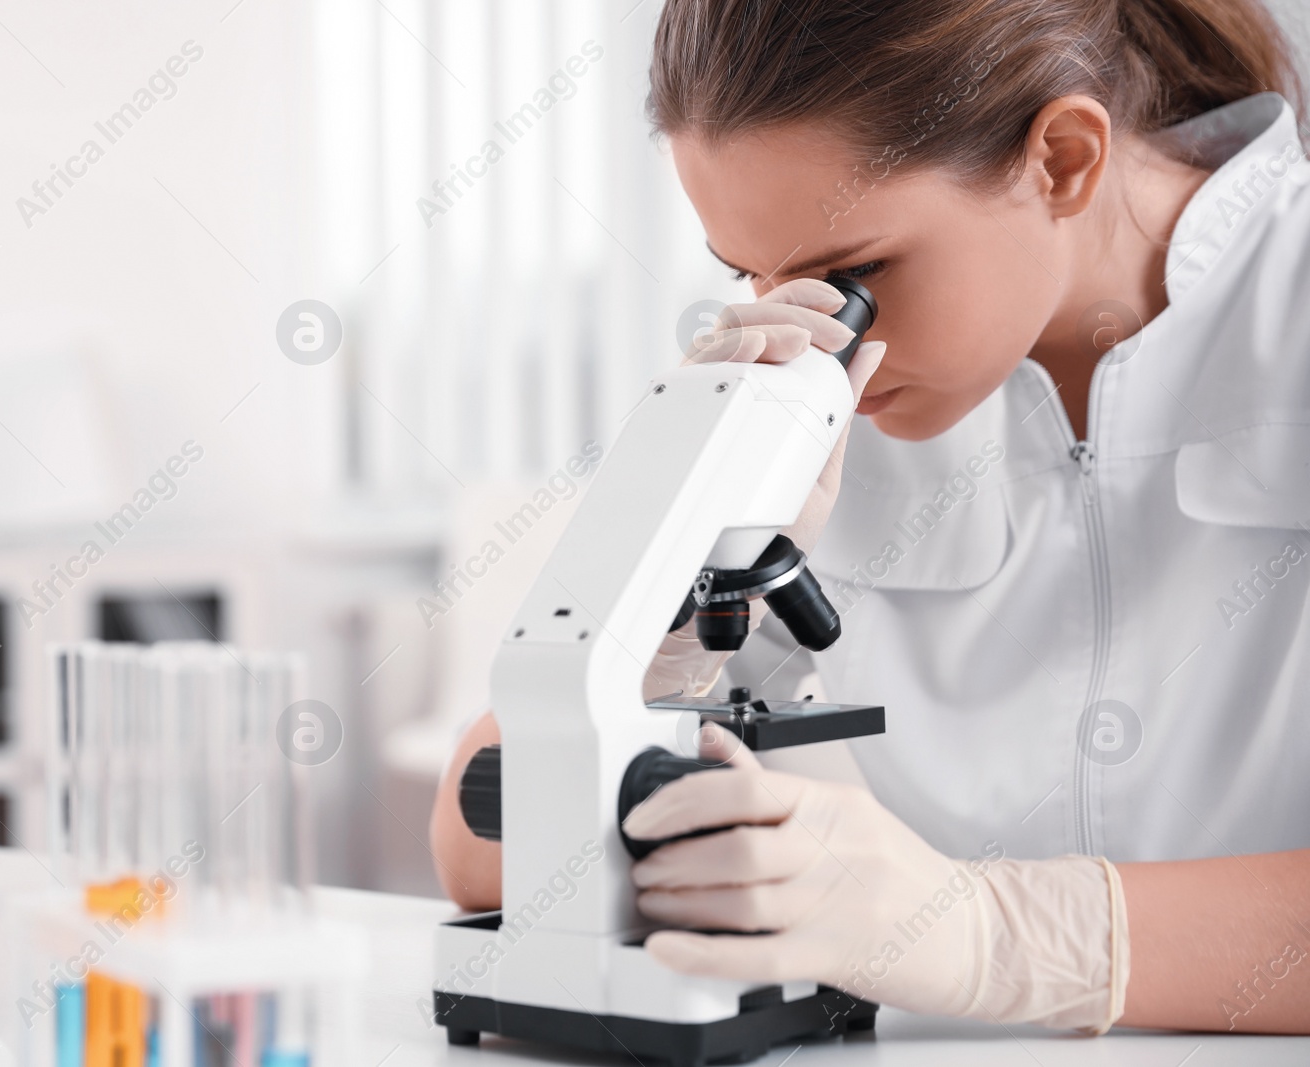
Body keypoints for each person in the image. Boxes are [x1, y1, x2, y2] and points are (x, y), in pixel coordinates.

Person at [428, 0, 1310, 1036]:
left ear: (1061, 159)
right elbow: (476, 842)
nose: (814, 339)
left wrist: (994, 935)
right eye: (745, 274)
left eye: (854, 277)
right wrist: (664, 575)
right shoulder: (830, 399)